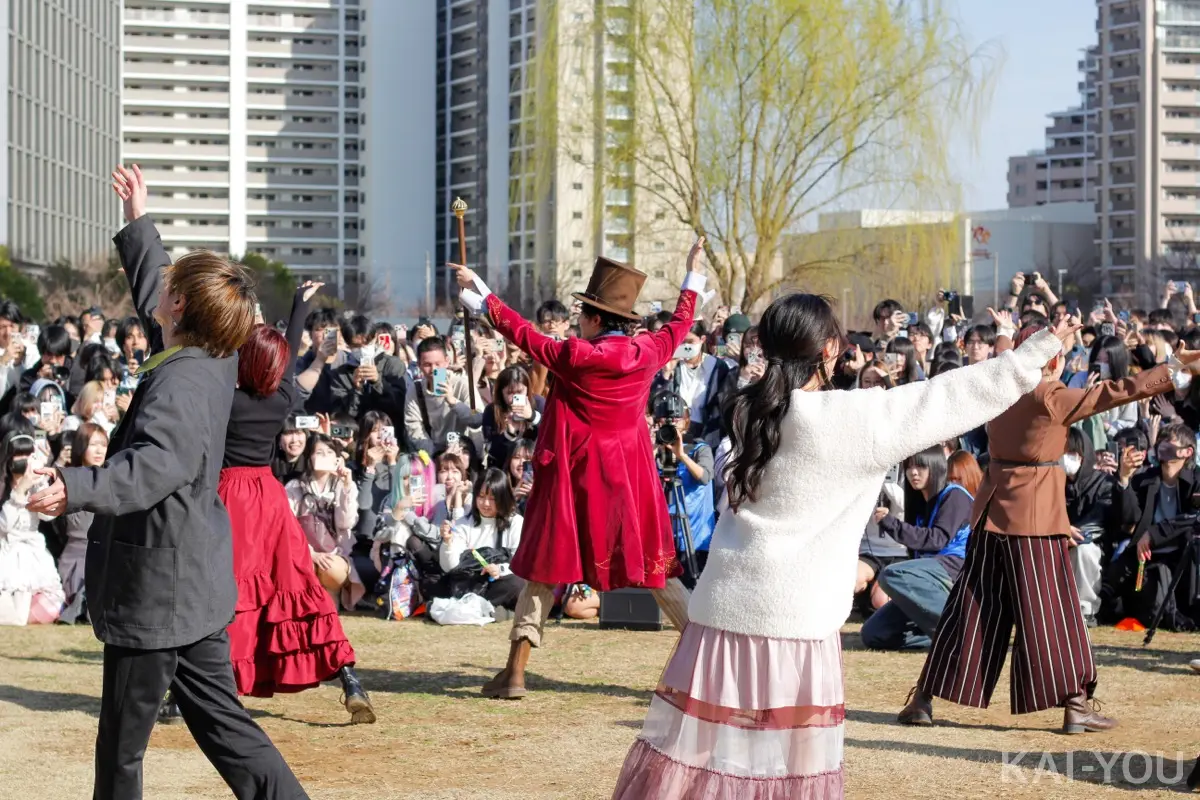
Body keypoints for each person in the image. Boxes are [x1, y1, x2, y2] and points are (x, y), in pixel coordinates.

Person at [609, 294, 1073, 799]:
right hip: (797, 623)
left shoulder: (750, 407)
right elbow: (950, 396)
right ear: (830, 347)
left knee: (701, 765)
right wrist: (1034, 352)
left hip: (721, 614)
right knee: (782, 775)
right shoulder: (851, 418)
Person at [28, 163, 308, 800]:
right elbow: (160, 281)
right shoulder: (212, 349)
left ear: (179, 308)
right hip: (193, 578)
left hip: (159, 593)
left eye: (172, 288)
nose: (161, 292)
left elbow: (153, 467)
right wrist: (138, 219)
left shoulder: (182, 380)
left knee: (121, 755)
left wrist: (74, 486)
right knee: (227, 731)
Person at [897, 322, 1200, 735]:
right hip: (1033, 517)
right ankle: (1075, 706)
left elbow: (1008, 356)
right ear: (1052, 359)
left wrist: (1007, 335)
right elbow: (1118, 391)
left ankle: (923, 698)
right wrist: (1172, 368)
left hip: (991, 512)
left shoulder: (999, 384)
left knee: (970, 609)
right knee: (1051, 613)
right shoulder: (1048, 395)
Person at [452, 239, 707, 701]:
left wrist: (480, 293)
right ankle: (708, 663)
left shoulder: (576, 355)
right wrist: (692, 274)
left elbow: (521, 334)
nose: (578, 321)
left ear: (594, 318)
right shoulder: (649, 350)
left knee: (545, 570)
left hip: (575, 477)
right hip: (627, 480)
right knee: (656, 569)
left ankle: (515, 673)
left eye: (583, 313)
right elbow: (682, 321)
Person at [216, 279, 371, 723]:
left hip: (232, 497)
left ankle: (198, 689)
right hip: (269, 497)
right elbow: (282, 358)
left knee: (232, 592)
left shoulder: (227, 400)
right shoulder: (280, 397)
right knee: (297, 584)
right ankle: (349, 679)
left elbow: (223, 357)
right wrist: (300, 306)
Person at [860, 448, 977, 651]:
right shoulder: (919, 501)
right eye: (909, 467)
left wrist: (891, 523)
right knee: (873, 633)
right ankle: (946, 637)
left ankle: (962, 631)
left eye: (920, 466)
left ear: (936, 467)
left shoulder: (955, 495)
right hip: (925, 577)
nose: (913, 472)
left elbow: (936, 540)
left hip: (955, 571)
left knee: (893, 574)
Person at [0, 432, 64, 625]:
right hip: (6, 549)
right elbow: (4, 526)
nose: (24, 460)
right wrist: (19, 491)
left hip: (33, 550)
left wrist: (40, 483)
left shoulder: (37, 484)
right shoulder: (3, 486)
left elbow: (46, 515)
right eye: (19, 455)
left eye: (29, 455)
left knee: (51, 603)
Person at [1062, 428, 1115, 627]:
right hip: (1056, 539)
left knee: (1084, 551)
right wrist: (1059, 531)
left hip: (1091, 545)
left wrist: (1068, 533)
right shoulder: (1050, 483)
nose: (1065, 458)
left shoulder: (1103, 483)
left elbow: (1097, 523)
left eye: (1071, 453)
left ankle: (1086, 611)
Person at [54, 423, 106, 623]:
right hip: (76, 559)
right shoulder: (68, 479)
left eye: (103, 444)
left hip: (105, 554)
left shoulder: (113, 482)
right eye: (93, 444)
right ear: (80, 446)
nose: (100, 450)